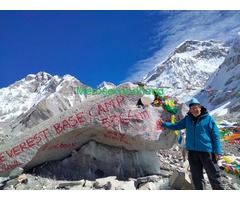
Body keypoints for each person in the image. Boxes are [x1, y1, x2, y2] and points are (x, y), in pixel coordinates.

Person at [158, 98, 224, 190]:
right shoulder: (187, 119)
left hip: (207, 152)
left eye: (196, 107)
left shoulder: (208, 119)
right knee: (197, 178)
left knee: (214, 176)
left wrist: (217, 151)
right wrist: (164, 124)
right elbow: (177, 126)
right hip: (193, 153)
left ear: (200, 108)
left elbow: (215, 135)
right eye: (192, 108)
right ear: (190, 110)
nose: (194, 110)